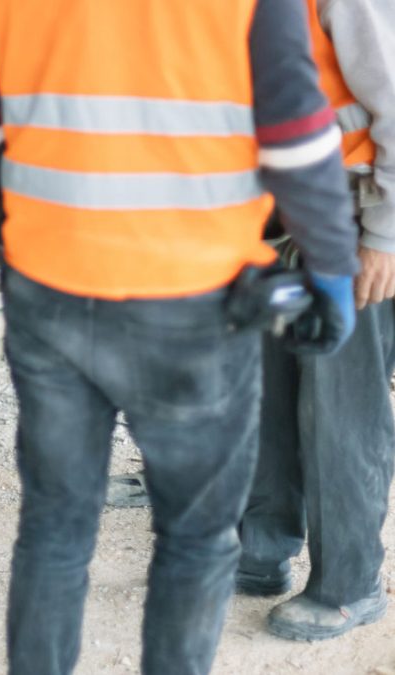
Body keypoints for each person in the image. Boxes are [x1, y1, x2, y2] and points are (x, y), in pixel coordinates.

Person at [0, 0, 360, 673]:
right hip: (194, 300)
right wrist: (333, 269)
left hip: (50, 287)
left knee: (54, 528)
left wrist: (11, 243)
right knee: (196, 537)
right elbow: (300, 143)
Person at [237, 0, 395, 642]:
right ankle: (261, 548)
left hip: (352, 222)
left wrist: (384, 235)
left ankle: (349, 584)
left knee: (339, 410)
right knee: (265, 396)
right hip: (273, 221)